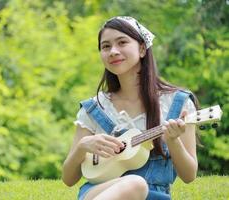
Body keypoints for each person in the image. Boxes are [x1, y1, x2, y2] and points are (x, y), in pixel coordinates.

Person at [62, 16, 198, 200]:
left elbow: (189, 175)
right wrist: (81, 147)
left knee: (136, 184)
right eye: (106, 46)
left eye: (122, 42)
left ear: (142, 48)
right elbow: (69, 179)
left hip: (154, 196)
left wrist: (173, 141)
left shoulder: (177, 103)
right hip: (99, 192)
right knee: (134, 183)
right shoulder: (94, 108)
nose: (113, 51)